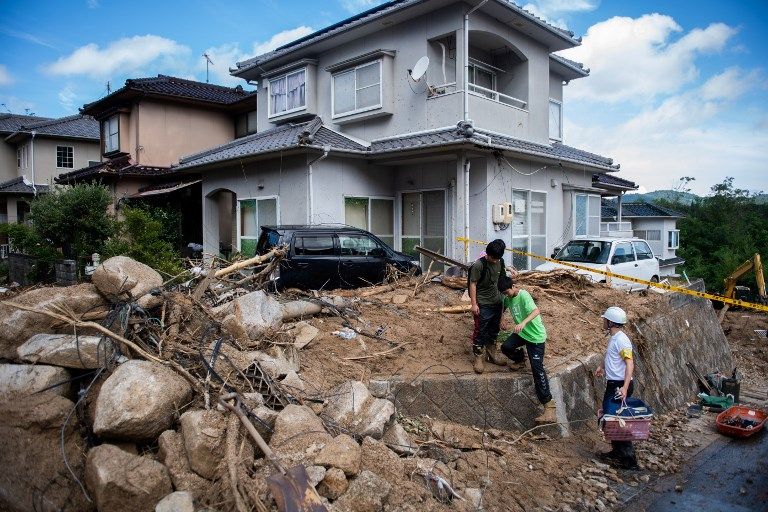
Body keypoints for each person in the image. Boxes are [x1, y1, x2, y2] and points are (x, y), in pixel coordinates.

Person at [497, 275, 556, 424]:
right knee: (506, 347)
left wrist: (523, 323)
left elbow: (536, 311)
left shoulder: (523, 295)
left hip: (536, 338)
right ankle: (520, 359)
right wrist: (502, 319)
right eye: (503, 293)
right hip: (523, 335)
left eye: (506, 292)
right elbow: (503, 306)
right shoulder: (508, 298)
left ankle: (549, 407)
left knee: (537, 370)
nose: (506, 295)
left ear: (513, 287)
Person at [595, 306, 638, 469]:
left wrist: (625, 388)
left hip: (619, 386)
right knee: (612, 419)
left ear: (611, 322)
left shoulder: (621, 339)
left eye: (605, 319)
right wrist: (603, 368)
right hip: (614, 383)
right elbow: (615, 360)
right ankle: (617, 452)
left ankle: (629, 460)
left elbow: (629, 363)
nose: (603, 321)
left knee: (619, 422)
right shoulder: (614, 337)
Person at [468, 239, 507, 374]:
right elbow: (472, 284)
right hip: (483, 303)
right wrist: (474, 304)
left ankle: (491, 354)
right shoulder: (479, 265)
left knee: (494, 330)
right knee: (480, 330)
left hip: (497, 301)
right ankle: (478, 357)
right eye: (492, 258)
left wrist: (505, 298)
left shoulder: (500, 262)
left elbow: (502, 280)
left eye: (497, 258)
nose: (494, 261)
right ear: (488, 254)